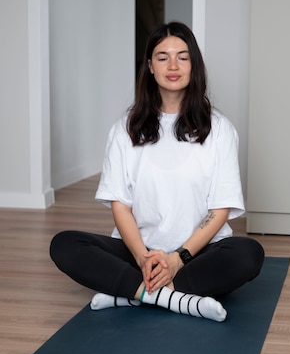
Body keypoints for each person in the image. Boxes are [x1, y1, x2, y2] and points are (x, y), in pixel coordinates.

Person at [50, 22, 264, 322]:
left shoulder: (220, 130)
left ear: (194, 65)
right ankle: (178, 299)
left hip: (196, 253)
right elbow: (120, 204)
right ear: (150, 66)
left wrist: (178, 259)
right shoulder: (125, 129)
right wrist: (142, 256)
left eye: (182, 57)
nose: (173, 65)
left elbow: (219, 210)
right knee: (64, 244)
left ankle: (135, 294)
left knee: (248, 253)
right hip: (141, 253)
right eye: (163, 57)